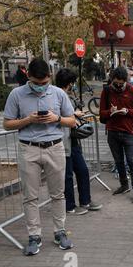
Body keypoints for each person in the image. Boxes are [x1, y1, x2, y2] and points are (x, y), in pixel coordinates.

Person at [3, 58, 76, 255]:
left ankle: (60, 232)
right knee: (30, 196)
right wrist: (28, 120)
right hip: (29, 149)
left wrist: (57, 118)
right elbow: (7, 123)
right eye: (37, 83)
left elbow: (72, 121)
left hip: (55, 147)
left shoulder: (59, 93)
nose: (41, 87)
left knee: (58, 194)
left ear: (50, 77)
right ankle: (34, 235)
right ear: (28, 77)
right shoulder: (16, 94)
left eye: (44, 83)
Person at [55, 68, 103, 215]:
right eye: (73, 83)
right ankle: (70, 206)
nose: (74, 86)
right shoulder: (56, 95)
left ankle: (85, 201)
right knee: (68, 175)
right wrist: (73, 114)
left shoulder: (66, 95)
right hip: (63, 141)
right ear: (69, 83)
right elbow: (55, 116)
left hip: (73, 140)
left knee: (82, 170)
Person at [99, 67, 133, 203]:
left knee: (132, 162)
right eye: (116, 83)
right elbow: (101, 114)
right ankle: (124, 185)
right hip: (112, 131)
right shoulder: (107, 91)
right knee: (118, 161)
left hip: (128, 132)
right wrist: (110, 112)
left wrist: (128, 111)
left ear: (126, 81)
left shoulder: (132, 90)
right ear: (112, 80)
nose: (118, 86)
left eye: (121, 83)